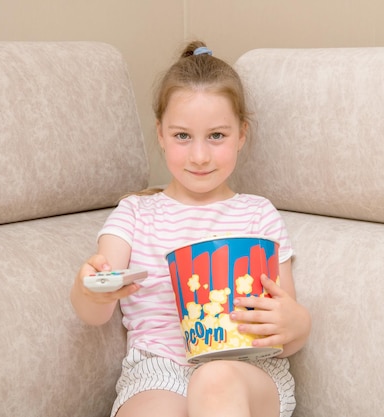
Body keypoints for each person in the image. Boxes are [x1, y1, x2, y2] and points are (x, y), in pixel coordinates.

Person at [70, 40, 311, 417]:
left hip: (246, 370)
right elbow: (96, 306)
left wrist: (298, 323)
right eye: (183, 136)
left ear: (242, 134)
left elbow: (282, 323)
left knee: (213, 380)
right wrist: (92, 290)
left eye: (217, 136)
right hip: (159, 370)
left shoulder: (258, 215)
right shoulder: (135, 214)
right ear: (161, 134)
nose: (200, 156)